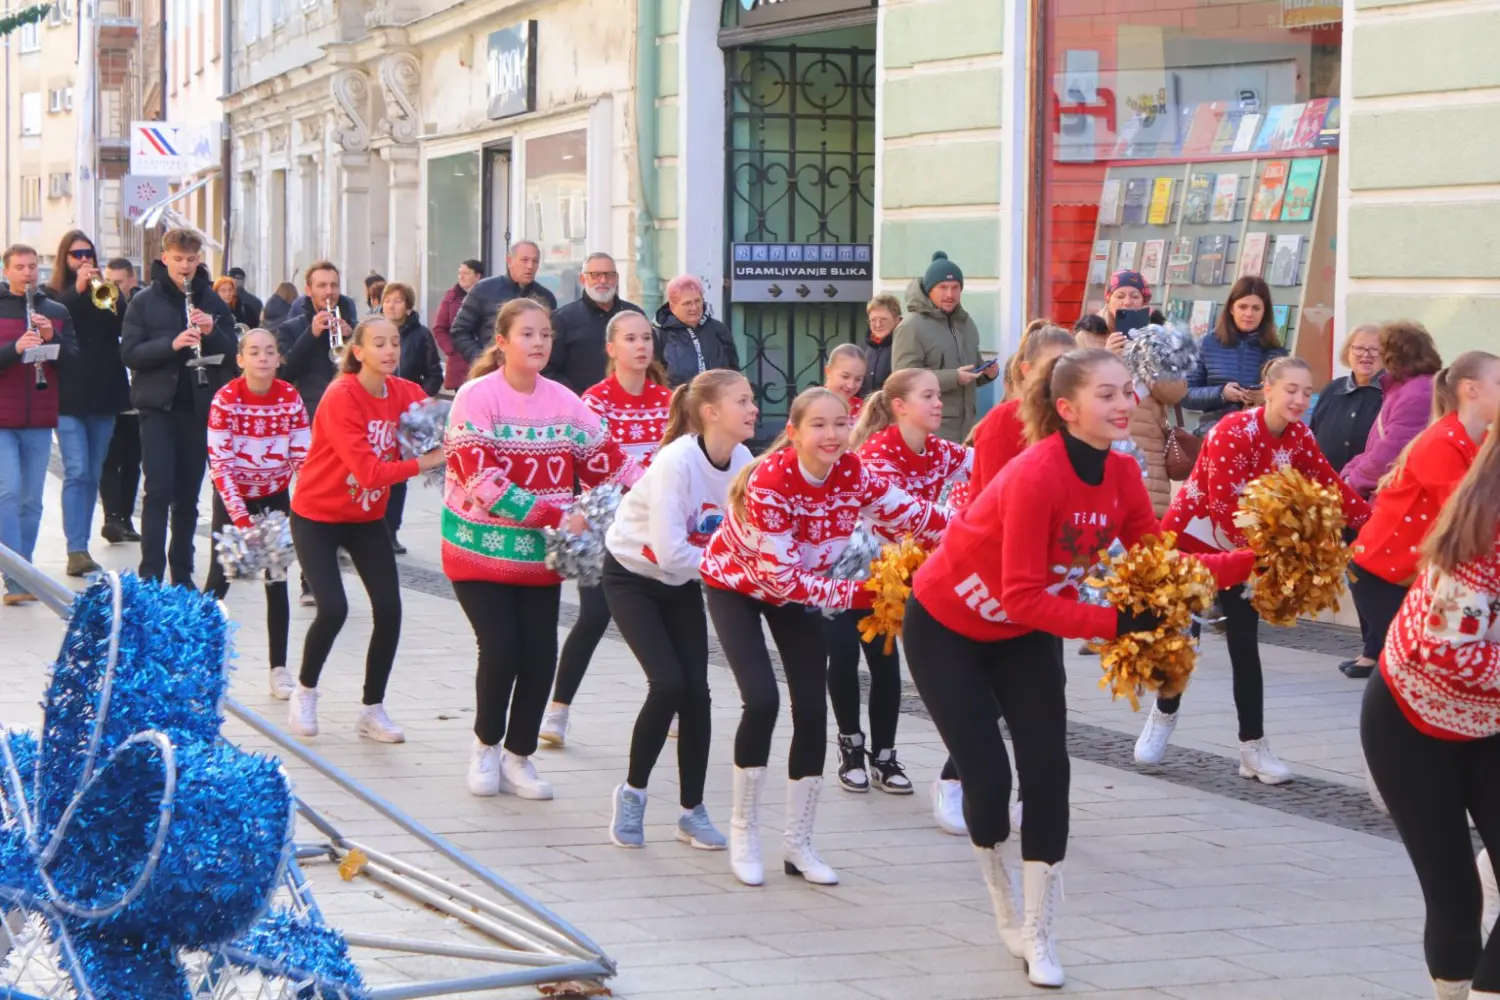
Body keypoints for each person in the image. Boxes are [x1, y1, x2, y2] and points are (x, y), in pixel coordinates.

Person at [903, 347, 1255, 988]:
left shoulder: (1122, 474)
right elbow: (1021, 596)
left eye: (1128, 392)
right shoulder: (1035, 474)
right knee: (987, 780)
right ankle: (1004, 899)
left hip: (1024, 633)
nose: (1124, 404)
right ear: (1067, 409)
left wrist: (1250, 560)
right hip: (948, 625)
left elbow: (1157, 563)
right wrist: (1121, 624)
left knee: (1048, 772)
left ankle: (1040, 931)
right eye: (1107, 395)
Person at [699, 386, 948, 887]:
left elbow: (917, 516)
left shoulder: (855, 473)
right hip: (739, 586)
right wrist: (872, 594)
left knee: (813, 709)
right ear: (793, 433)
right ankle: (745, 829)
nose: (831, 434)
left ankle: (798, 844)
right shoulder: (771, 480)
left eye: (840, 423)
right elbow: (781, 580)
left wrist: (977, 535)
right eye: (818, 424)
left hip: (803, 593)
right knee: (763, 700)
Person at [444, 299, 641, 802]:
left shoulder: (565, 401)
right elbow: (481, 481)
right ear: (502, 341)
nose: (538, 342)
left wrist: (662, 496)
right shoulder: (475, 396)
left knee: (538, 655)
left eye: (545, 335)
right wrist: (558, 515)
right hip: (478, 550)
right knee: (501, 648)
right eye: (527, 334)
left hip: (539, 556)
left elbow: (610, 464)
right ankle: (485, 745)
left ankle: (519, 755)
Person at [1143, 357, 1372, 781]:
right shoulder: (1232, 431)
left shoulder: (1300, 435)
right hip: (1193, 543)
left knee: (1245, 645)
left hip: (1249, 552)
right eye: (1292, 390)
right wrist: (1270, 558)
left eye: (1307, 392)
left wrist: (1373, 525)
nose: (1301, 399)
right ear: (1267, 389)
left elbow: (1329, 484)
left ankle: (1253, 748)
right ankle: (1164, 711)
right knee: (1179, 643)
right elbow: (1223, 508)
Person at [1362, 396, 1500, 1000]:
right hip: (1409, 721)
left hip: (1488, 718)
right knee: (1454, 893)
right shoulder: (1483, 535)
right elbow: (1451, 652)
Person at [603, 369, 758, 849]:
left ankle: (692, 812)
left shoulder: (744, 459)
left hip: (685, 582)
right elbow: (670, 553)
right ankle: (632, 794)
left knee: (698, 694)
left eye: (753, 400)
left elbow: (745, 536)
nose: (754, 409)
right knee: (667, 682)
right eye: (743, 401)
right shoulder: (677, 462)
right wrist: (735, 569)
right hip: (633, 576)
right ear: (711, 412)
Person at [287, 316, 443, 743]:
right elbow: (370, 472)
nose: (391, 350)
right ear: (358, 352)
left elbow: (448, 417)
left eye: (394, 342)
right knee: (332, 608)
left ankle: (372, 709)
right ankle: (305, 690)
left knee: (389, 610)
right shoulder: (341, 396)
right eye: (379, 343)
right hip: (317, 515)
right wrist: (424, 463)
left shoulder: (404, 392)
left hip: (365, 519)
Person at [541, 311, 673, 747]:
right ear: (611, 348)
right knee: (595, 615)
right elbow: (585, 464)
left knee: (663, 617)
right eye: (630, 339)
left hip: (656, 525)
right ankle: (558, 710)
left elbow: (675, 460)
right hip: (606, 526)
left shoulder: (667, 400)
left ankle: (669, 700)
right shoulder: (594, 401)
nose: (641, 346)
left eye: (646, 339)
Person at [839, 367, 972, 796]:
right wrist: (963, 528)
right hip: (849, 571)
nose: (939, 403)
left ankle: (884, 755)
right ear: (899, 407)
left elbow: (983, 466)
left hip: (896, 578)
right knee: (841, 661)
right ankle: (850, 748)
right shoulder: (878, 455)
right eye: (928, 396)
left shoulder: (939, 450)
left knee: (885, 666)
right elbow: (903, 516)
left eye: (938, 395)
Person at [1341, 352, 1500, 679]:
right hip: (1380, 575)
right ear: (1471, 389)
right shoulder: (1441, 442)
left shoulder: (1482, 441)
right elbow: (1468, 517)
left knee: (1416, 671)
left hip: (1416, 575)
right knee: (1412, 671)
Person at [121, 228, 237, 587]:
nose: (185, 267)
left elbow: (232, 354)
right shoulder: (144, 301)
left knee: (187, 496)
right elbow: (129, 353)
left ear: (199, 260)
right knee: (157, 490)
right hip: (157, 407)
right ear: (165, 258)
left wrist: (211, 331)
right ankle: (150, 574)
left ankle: (182, 572)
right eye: (178, 260)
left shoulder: (212, 301)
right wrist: (171, 345)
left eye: (191, 260)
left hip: (197, 408)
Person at [204, 328, 311, 700]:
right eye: (254, 351)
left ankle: (279, 669)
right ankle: (199, 662)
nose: (262, 358)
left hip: (275, 497)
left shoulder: (290, 398)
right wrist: (242, 522)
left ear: (279, 358)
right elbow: (220, 465)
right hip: (235, 499)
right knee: (219, 580)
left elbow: (302, 455)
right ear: (241, 359)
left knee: (277, 579)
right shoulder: (225, 400)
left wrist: (309, 502)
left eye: (269, 351)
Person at [47, 230, 129, 577]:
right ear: (65, 259)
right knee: (77, 471)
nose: (84, 260)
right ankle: (75, 549)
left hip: (104, 392)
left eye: (88, 254)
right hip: (68, 395)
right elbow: (58, 323)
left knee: (93, 473)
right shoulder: (55, 296)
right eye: (76, 255)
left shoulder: (104, 293)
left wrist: (112, 293)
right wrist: (78, 291)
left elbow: (122, 324)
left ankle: (80, 545)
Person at [0, 244, 75, 606]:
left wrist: (51, 339)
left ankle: (23, 569)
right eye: (20, 267)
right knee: (8, 493)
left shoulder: (55, 311)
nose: (29, 273)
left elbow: (73, 362)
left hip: (39, 417)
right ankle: (14, 576)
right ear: (6, 271)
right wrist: (16, 347)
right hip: (2, 419)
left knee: (31, 501)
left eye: (33, 266)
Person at [892, 251, 995, 442]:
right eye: (943, 287)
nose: (950, 294)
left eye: (955, 287)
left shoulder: (967, 323)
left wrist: (986, 373)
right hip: (931, 434)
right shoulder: (911, 327)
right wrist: (954, 377)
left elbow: (971, 370)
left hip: (967, 432)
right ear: (929, 290)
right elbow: (903, 381)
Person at [1342, 320, 1444, 498]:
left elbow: (1390, 454)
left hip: (1398, 496)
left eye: (1379, 351)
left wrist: (1352, 480)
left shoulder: (1418, 393)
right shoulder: (1404, 388)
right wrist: (1349, 471)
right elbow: (1376, 448)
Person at [377, 281, 443, 556]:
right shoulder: (373, 331)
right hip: (378, 408)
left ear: (408, 305)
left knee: (400, 475)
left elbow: (434, 373)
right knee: (374, 470)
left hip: (406, 413)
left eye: (398, 300)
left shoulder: (420, 335)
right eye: (388, 300)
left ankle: (391, 531)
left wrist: (418, 402)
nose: (392, 305)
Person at [1182, 276, 1288, 436]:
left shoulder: (1276, 351)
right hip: (1214, 434)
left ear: (1264, 311)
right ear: (1231, 308)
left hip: (1259, 436)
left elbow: (1288, 399)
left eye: (1256, 308)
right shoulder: (1207, 344)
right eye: (1243, 306)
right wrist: (1221, 394)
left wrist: (1266, 397)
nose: (1248, 314)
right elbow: (1186, 395)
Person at [544, 253, 645, 394]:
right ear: (582, 279)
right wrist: (579, 399)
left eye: (609, 275)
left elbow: (652, 363)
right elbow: (548, 370)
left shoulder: (634, 316)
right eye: (595, 275)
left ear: (616, 279)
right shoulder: (562, 319)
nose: (603, 280)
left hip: (628, 406)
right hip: (579, 408)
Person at [448, 241, 558, 368]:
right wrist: (482, 360)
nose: (530, 266)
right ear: (509, 261)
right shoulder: (484, 289)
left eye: (535, 261)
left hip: (531, 374)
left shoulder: (545, 298)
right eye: (524, 260)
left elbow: (551, 337)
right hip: (492, 371)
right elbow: (459, 331)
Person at [277, 261, 359, 421]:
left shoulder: (356, 329)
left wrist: (351, 338)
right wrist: (311, 335)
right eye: (322, 286)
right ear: (308, 290)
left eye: (334, 285)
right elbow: (285, 374)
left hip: (349, 410)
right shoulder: (290, 328)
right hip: (310, 413)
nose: (329, 291)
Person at [1123, 326, 1192, 516]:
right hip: (1106, 451)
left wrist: (1151, 365)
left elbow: (1176, 393)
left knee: (1146, 529)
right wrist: (1109, 355)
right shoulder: (1091, 337)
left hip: (1148, 453)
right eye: (1120, 295)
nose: (1127, 301)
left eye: (1135, 296)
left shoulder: (1156, 337)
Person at [99, 258, 143, 545]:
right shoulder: (102, 308)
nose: (112, 287)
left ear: (130, 281)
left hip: (137, 397)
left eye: (118, 282)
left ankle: (126, 518)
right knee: (109, 460)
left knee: (133, 462)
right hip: (111, 396)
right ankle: (111, 518)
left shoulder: (139, 309)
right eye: (109, 281)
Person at [1309, 324, 1384, 474]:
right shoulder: (1332, 389)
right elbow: (1312, 438)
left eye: (1375, 349)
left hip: (1367, 491)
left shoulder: (1391, 394)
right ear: (1348, 351)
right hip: (1323, 487)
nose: (1366, 354)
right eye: (1359, 348)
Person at [655, 274, 739, 388]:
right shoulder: (659, 334)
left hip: (717, 401)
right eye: (687, 303)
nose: (694, 307)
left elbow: (733, 372)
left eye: (698, 301)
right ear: (673, 306)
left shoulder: (718, 330)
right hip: (678, 402)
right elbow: (654, 378)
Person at [432, 259, 483, 392]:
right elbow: (439, 328)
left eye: (466, 273)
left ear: (478, 276)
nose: (461, 276)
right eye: (459, 273)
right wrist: (451, 350)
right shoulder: (451, 297)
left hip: (482, 360)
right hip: (459, 364)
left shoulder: (488, 296)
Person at [861, 294, 900, 397]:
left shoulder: (903, 345)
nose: (878, 325)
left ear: (897, 320)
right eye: (873, 320)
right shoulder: (864, 348)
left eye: (883, 319)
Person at [823, 343, 868, 422]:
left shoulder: (864, 411)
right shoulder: (810, 405)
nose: (851, 385)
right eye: (845, 376)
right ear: (828, 372)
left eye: (858, 379)